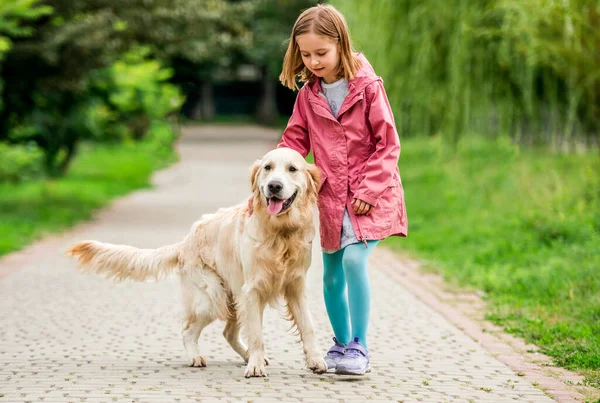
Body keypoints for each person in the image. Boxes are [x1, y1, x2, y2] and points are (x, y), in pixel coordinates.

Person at [276, 4, 408, 376]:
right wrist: (274, 179)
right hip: (332, 199)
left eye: (322, 53)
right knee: (331, 275)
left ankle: (359, 346)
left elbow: (388, 144)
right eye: (306, 54)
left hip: (370, 197)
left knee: (354, 261)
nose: (313, 61)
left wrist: (370, 188)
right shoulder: (308, 97)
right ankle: (341, 341)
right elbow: (293, 142)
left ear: (341, 45)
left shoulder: (368, 88)